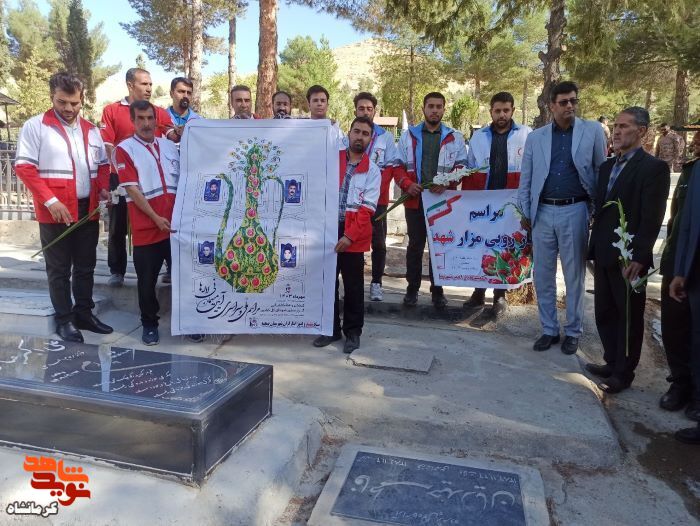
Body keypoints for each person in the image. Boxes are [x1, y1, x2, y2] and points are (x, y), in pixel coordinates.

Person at [15, 72, 113, 342]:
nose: (69, 109)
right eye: (62, 102)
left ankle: (84, 313)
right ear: (52, 97)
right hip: (54, 209)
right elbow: (24, 167)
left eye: (74, 103)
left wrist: (103, 187)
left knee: (85, 265)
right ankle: (64, 320)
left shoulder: (92, 130)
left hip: (87, 208)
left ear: (82, 100)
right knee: (59, 269)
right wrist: (50, 200)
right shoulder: (36, 127)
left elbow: (103, 165)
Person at [517, 81, 607, 354]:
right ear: (552, 105)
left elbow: (600, 171)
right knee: (543, 274)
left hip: (575, 210)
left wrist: (595, 211)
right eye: (564, 102)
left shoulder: (592, 131)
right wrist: (525, 211)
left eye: (573, 101)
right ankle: (549, 329)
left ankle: (574, 331)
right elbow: (526, 178)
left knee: (574, 275)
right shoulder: (536, 137)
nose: (570, 106)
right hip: (542, 212)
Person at [586, 107, 670, 393]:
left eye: (624, 126)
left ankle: (623, 373)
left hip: (628, 258)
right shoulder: (607, 166)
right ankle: (611, 361)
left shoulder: (653, 169)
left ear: (641, 131)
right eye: (615, 126)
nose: (617, 131)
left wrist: (640, 256)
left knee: (628, 317)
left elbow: (652, 218)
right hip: (604, 252)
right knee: (604, 311)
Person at [100, 67, 176, 288]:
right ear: (130, 85)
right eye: (144, 84)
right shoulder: (112, 110)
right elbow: (108, 144)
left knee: (163, 220)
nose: (149, 88)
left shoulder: (159, 111)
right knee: (118, 224)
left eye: (150, 84)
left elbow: (171, 135)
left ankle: (170, 266)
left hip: (153, 177)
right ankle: (117, 270)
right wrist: (122, 170)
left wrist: (183, 132)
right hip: (122, 176)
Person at [312, 116, 381, 353]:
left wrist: (349, 236)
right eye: (357, 131)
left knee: (353, 286)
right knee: (327, 283)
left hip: (354, 235)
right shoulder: (332, 160)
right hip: (328, 230)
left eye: (365, 133)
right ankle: (330, 329)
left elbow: (367, 210)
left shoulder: (373, 171)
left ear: (370, 139)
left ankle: (352, 332)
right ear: (349, 134)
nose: (360, 137)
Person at [394, 92, 468, 309]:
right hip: (415, 200)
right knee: (415, 246)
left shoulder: (455, 137)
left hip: (442, 202)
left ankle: (438, 291)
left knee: (440, 246)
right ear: (424, 108)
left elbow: (462, 167)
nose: (435, 110)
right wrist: (407, 184)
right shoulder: (409, 136)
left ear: (444, 109)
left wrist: (447, 183)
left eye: (438, 106)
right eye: (431, 106)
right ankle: (412, 290)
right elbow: (397, 166)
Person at [462, 91, 532, 319]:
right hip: (485, 204)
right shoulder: (478, 137)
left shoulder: (526, 135)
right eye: (497, 111)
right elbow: (470, 171)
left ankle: (500, 296)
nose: (502, 115)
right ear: (490, 111)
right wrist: (469, 204)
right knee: (482, 247)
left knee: (504, 248)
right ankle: (478, 292)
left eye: (506, 110)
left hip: (511, 205)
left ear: (513, 111)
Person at [115, 100, 179, 345]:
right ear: (132, 121)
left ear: (156, 120)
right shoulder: (124, 149)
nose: (146, 123)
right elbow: (132, 189)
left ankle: (188, 322)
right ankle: (149, 324)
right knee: (147, 281)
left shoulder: (169, 146)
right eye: (140, 118)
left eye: (150, 118)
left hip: (175, 228)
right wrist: (155, 217)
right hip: (147, 228)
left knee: (182, 278)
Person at [659, 132, 700, 415]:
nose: (695, 139)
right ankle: (680, 382)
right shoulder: (690, 171)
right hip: (678, 259)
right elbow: (677, 220)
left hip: (696, 265)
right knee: (674, 326)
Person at [351, 91, 400, 302]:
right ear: (355, 110)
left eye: (369, 109)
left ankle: (376, 283)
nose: (365, 112)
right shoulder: (351, 135)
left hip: (377, 200)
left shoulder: (385, 137)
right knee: (353, 240)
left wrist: (375, 190)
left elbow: (390, 168)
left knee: (378, 242)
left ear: (375, 111)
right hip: (353, 201)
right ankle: (355, 283)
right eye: (361, 108)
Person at [669, 160, 700, 444]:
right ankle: (686, 389)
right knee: (690, 338)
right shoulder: (696, 170)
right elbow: (685, 223)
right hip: (693, 270)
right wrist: (680, 271)